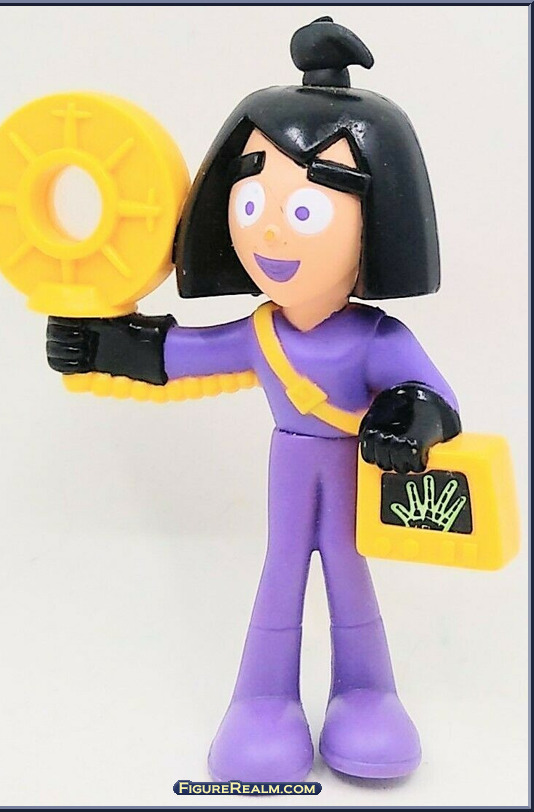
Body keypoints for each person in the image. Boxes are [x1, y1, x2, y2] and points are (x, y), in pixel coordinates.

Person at [47, 17, 461, 783]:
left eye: (305, 210)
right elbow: (185, 355)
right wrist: (103, 345)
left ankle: (367, 695)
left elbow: (433, 395)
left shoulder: (376, 337)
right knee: (280, 577)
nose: (271, 230)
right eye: (251, 203)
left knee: (350, 577)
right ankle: (263, 701)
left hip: (352, 477)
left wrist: (408, 420)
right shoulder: (263, 333)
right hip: (290, 471)